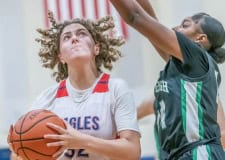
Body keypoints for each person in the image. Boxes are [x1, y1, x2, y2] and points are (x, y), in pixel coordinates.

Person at [10, 11, 141, 160]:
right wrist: (18, 143)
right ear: (61, 57)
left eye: (82, 34)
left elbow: (132, 151)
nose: (74, 38)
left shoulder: (116, 88)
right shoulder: (47, 98)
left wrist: (81, 141)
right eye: (66, 37)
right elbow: (17, 156)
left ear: (96, 49)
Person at [110, 0, 225, 159]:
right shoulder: (184, 66)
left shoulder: (196, 57)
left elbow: (135, 17)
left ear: (200, 39)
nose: (175, 28)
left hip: (198, 153)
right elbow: (151, 21)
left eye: (184, 25)